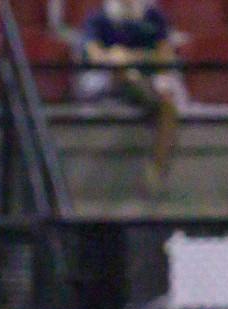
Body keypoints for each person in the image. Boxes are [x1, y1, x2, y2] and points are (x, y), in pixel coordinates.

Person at [76, 0, 179, 187]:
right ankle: (135, 86)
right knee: (118, 61)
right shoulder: (97, 17)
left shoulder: (153, 17)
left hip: (148, 79)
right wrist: (118, 57)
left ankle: (157, 170)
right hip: (105, 79)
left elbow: (166, 55)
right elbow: (95, 56)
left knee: (167, 104)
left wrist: (133, 57)